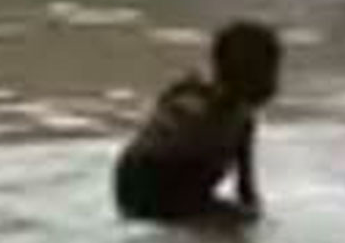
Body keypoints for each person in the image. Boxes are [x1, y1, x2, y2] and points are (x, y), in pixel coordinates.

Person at [114, 21, 282, 224]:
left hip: (174, 191)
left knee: (241, 221)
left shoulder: (241, 118)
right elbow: (143, 166)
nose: (275, 82)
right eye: (269, 72)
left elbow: (246, 189)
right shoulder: (190, 110)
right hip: (149, 190)